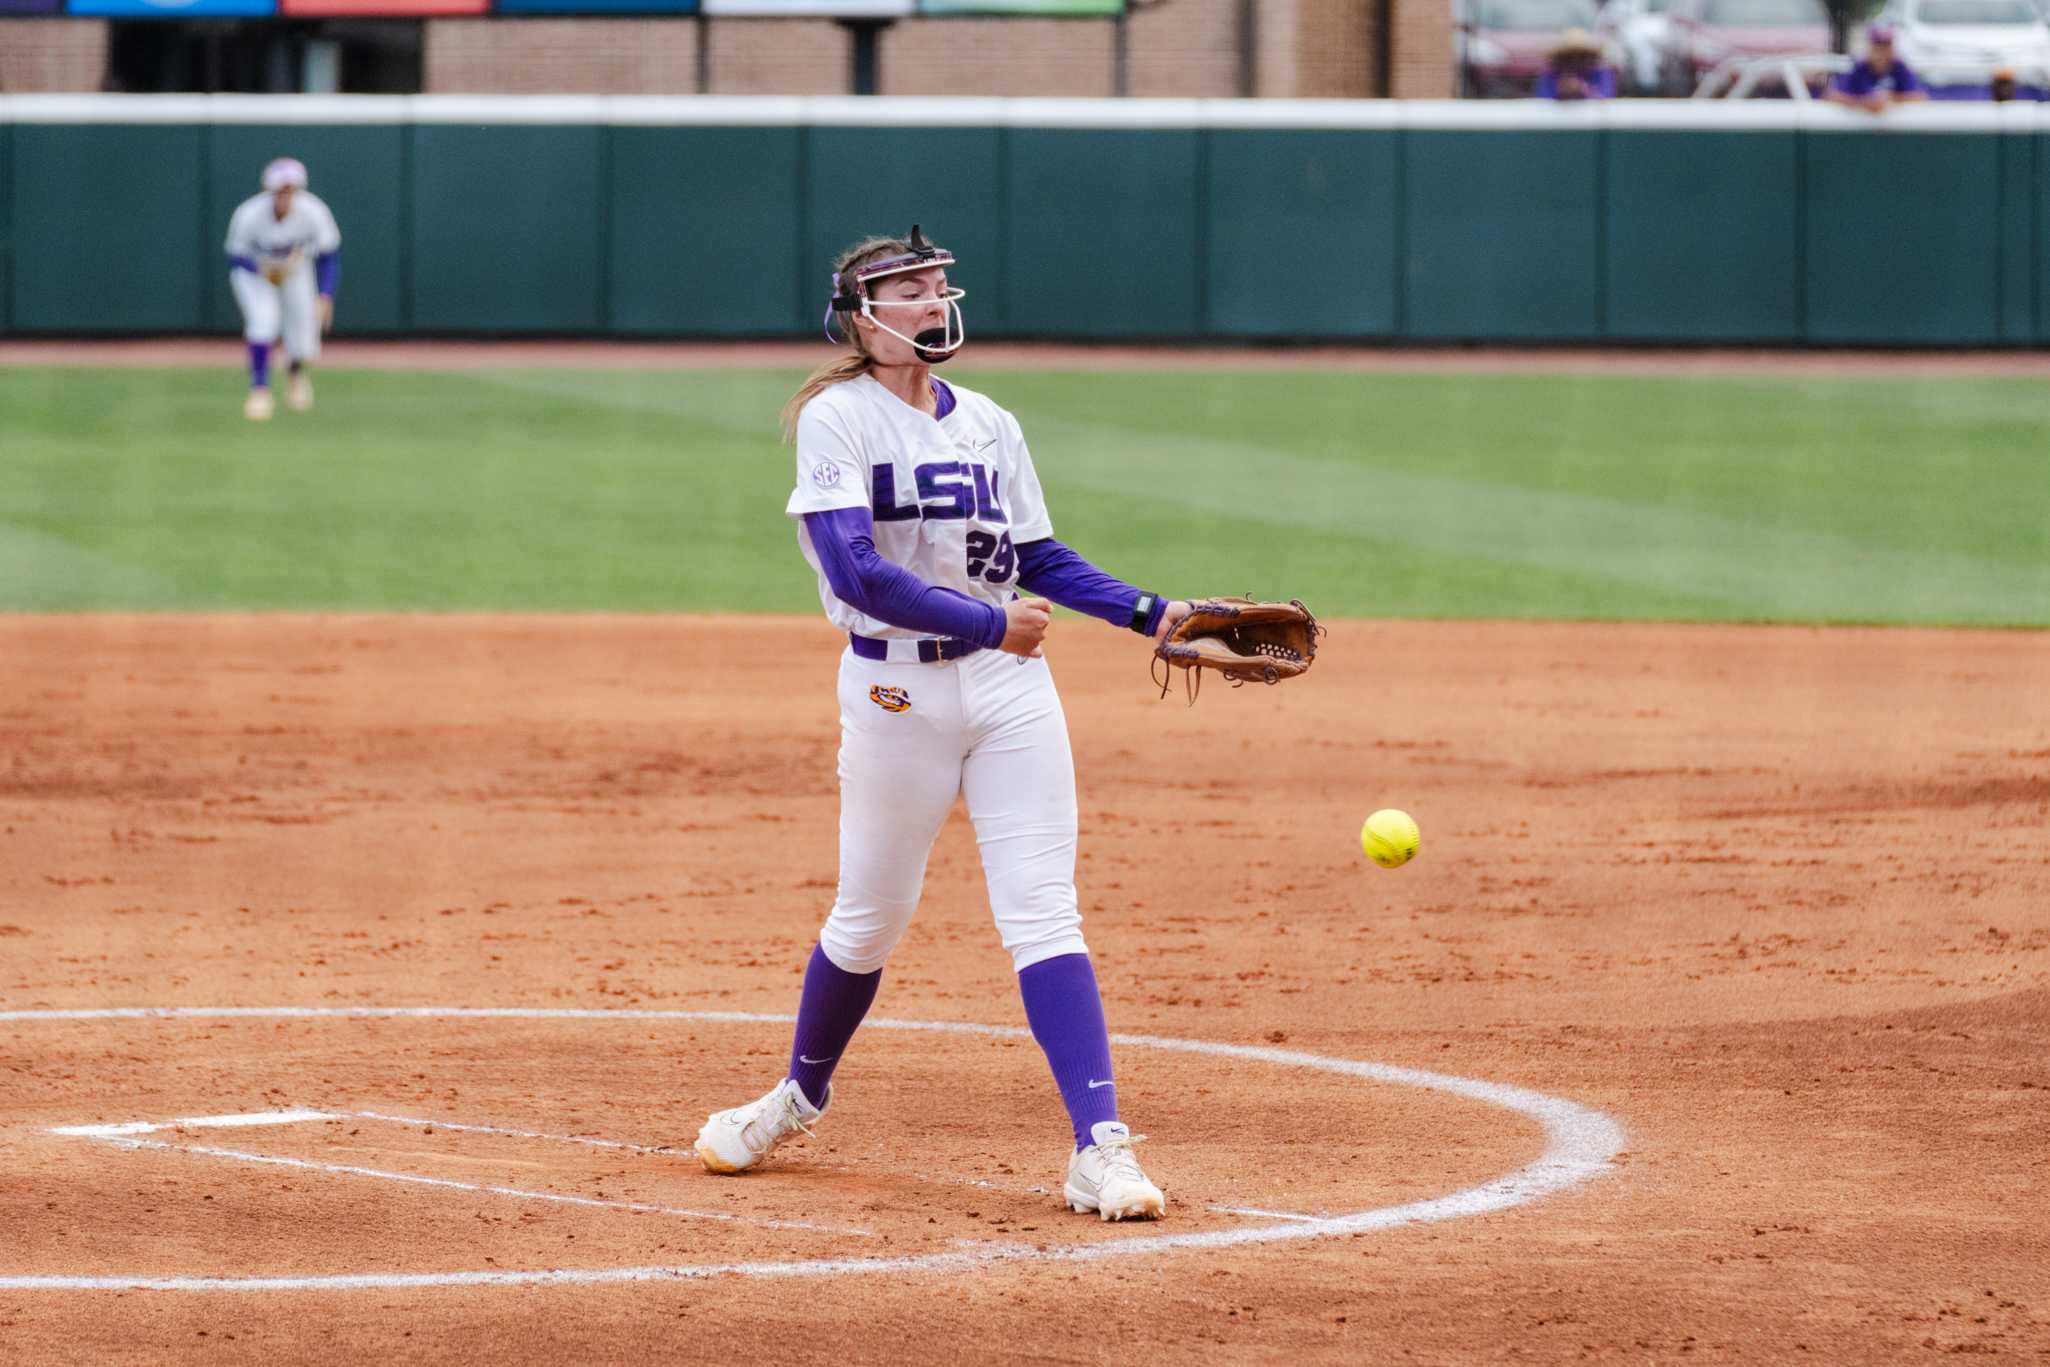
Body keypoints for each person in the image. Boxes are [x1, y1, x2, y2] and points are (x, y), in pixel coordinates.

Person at [692, 227, 1193, 1222]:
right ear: (859, 315)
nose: (931, 300)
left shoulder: (989, 423)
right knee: (868, 918)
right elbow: (855, 573)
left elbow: (1036, 558)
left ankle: (1101, 1147)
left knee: (1043, 908)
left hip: (1010, 691)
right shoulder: (838, 419)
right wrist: (986, 621)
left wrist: (1151, 612)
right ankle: (800, 1091)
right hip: (893, 698)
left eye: (936, 285)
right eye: (908, 288)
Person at [224, 157, 341, 421]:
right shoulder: (249, 214)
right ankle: (260, 390)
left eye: (291, 190)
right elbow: (235, 255)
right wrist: (262, 270)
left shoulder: (314, 212)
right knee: (263, 321)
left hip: (295, 271)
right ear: (270, 191)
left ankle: (295, 375)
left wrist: (325, 295)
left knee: (303, 330)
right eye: (281, 190)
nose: (286, 195)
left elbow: (329, 255)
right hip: (256, 272)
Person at [1825, 23, 1929, 111]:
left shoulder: (1899, 68)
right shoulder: (1858, 68)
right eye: (1878, 45)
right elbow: (1831, 96)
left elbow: (1921, 97)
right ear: (1870, 46)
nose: (1882, 52)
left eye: (1886, 45)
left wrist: (1891, 98)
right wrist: (1865, 103)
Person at [1536, 29, 1618, 100]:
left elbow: (1606, 98)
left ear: (1588, 57)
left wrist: (1582, 89)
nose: (1575, 60)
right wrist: (1560, 92)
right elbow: (1542, 100)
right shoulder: (1551, 74)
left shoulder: (1600, 72)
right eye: (1569, 57)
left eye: (1581, 56)